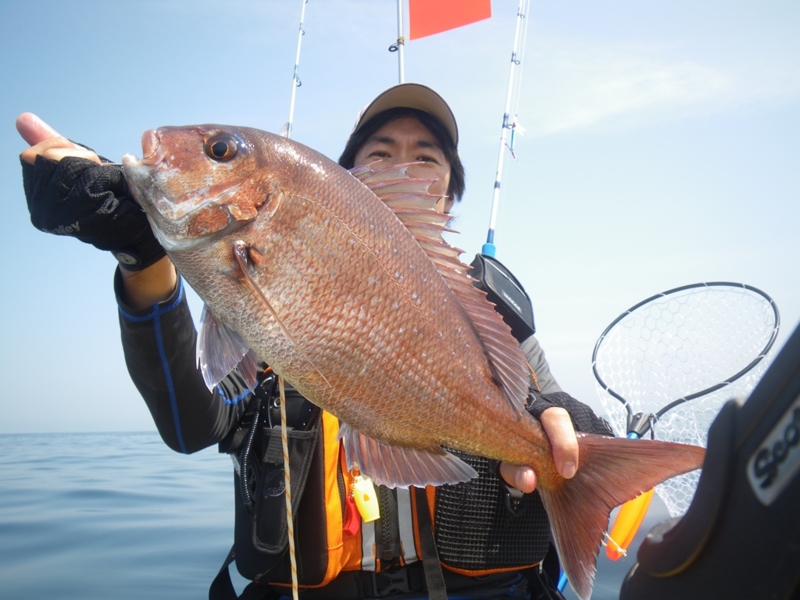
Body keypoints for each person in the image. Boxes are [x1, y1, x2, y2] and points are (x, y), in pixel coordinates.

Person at [18, 83, 613, 600]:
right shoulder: (261, 278)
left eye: (426, 157)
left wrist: (547, 420)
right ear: (348, 182)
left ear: (450, 192)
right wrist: (139, 254)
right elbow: (192, 422)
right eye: (381, 153)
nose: (404, 168)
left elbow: (565, 416)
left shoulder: (496, 307)